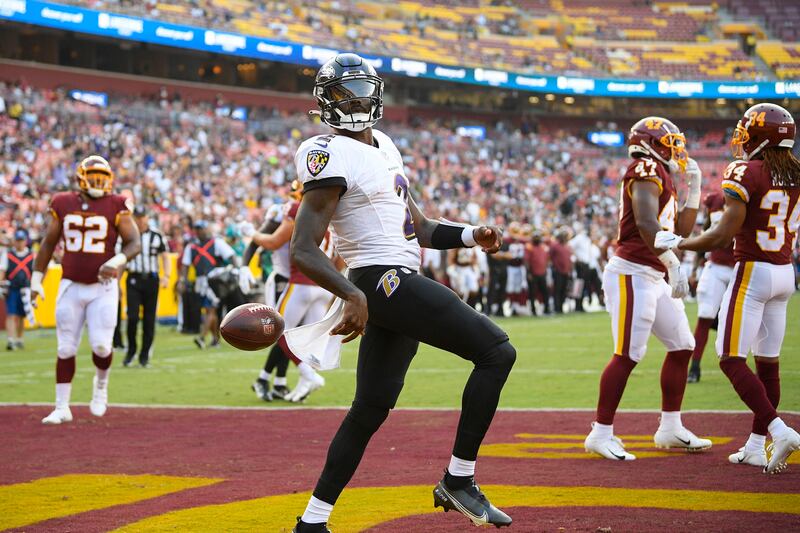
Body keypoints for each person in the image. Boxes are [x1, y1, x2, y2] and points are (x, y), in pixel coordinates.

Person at [289, 53, 515, 532]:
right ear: (324, 103)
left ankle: (312, 521)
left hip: (388, 286)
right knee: (497, 351)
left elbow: (422, 227)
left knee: (370, 409)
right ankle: (459, 481)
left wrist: (475, 234)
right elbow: (303, 249)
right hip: (380, 281)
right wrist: (351, 293)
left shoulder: (386, 146)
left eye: (361, 89)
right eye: (342, 92)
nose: (355, 100)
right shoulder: (326, 150)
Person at [656, 103, 800, 474]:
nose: (742, 139)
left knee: (730, 358)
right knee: (768, 364)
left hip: (753, 270)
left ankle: (778, 429)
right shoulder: (795, 172)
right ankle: (755, 447)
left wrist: (679, 243)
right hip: (785, 273)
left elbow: (723, 234)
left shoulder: (746, 171)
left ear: (760, 137)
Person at [583, 117, 711, 460]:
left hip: (652, 275)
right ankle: (601, 432)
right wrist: (672, 263)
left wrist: (694, 190)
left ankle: (670, 427)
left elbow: (679, 232)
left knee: (683, 346)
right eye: (670, 143)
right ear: (653, 144)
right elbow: (645, 222)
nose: (676, 151)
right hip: (632, 272)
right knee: (628, 353)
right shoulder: (644, 168)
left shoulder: (661, 173)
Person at [31, 156, 141, 424]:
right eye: (92, 176)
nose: (97, 182)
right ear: (80, 177)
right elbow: (48, 243)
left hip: (102, 287)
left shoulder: (117, 204)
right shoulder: (62, 202)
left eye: (101, 177)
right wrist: (36, 280)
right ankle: (61, 407)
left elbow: (134, 242)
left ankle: (101, 387)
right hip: (71, 284)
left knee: (102, 346)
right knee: (65, 347)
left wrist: (115, 261)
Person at [242, 183, 338, 403]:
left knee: (279, 332)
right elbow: (340, 261)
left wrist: (251, 233)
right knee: (304, 338)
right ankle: (282, 381)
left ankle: (305, 375)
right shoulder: (331, 214)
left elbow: (273, 240)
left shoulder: (295, 208)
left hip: (298, 282)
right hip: (323, 284)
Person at [242, 200, 293, 399]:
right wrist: (245, 265)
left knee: (292, 332)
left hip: (301, 282)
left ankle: (279, 381)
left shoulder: (316, 206)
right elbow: (259, 240)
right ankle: (263, 379)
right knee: (284, 332)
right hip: (283, 278)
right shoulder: (284, 212)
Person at [178, 220, 251, 349]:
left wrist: (235, 271)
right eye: (198, 229)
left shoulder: (216, 242)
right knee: (210, 310)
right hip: (200, 282)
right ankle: (216, 339)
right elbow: (185, 265)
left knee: (210, 309)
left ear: (207, 229)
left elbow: (231, 255)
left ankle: (202, 337)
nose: (200, 231)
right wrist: (183, 280)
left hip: (214, 280)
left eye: (202, 228)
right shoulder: (191, 246)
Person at [687, 192, 736, 383]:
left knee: (749, 319)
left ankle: (758, 368)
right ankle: (695, 367)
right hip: (715, 266)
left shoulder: (748, 196)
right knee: (705, 316)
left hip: (739, 266)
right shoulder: (715, 200)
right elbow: (707, 232)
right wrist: (694, 267)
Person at [124, 206, 170, 367]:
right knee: (132, 317)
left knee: (149, 321)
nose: (141, 221)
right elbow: (121, 257)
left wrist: (166, 275)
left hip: (151, 280)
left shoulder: (156, 235)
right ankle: (131, 351)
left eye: (143, 218)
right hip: (133, 279)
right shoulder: (128, 233)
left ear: (147, 218)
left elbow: (165, 256)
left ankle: (144, 356)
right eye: (138, 218)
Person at [0, 229, 34, 350]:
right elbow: (2, 271)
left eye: (21, 240)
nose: (19, 243)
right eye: (18, 240)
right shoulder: (8, 254)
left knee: (21, 315)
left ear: (25, 241)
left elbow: (34, 272)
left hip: (25, 289)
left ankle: (19, 339)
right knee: (11, 314)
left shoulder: (31, 255)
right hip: (12, 288)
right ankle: (10, 340)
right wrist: (1, 284)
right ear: (14, 241)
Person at [549, 228, 572, 313]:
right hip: (557, 271)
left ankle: (561, 307)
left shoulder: (568, 246)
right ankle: (557, 308)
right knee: (557, 290)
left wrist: (570, 270)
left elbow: (569, 259)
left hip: (566, 271)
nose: (565, 238)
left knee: (563, 290)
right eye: (564, 236)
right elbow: (549, 257)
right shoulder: (555, 246)